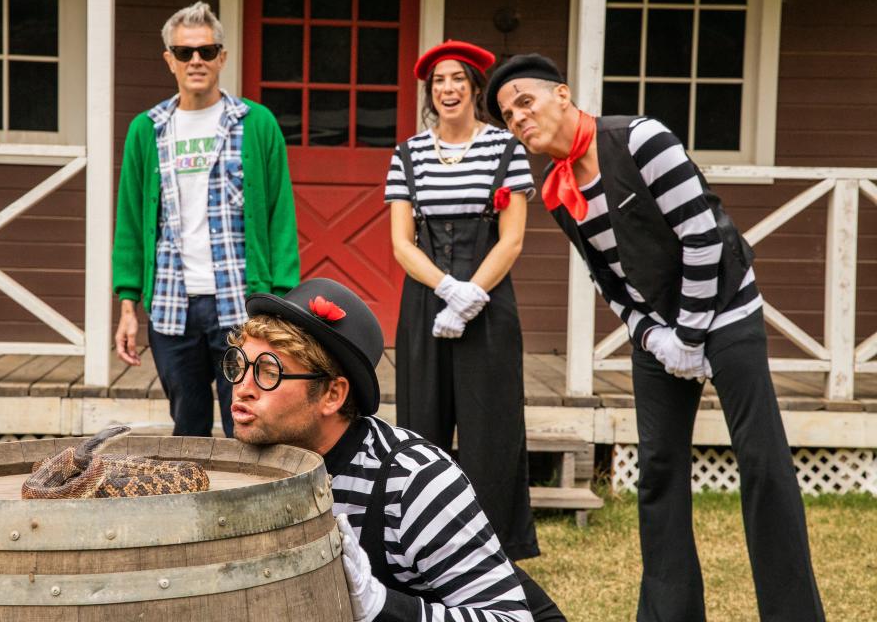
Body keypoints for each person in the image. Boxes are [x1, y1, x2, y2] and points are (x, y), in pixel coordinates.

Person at [487, 54, 825, 622]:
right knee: (659, 473)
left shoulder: (643, 139)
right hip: (661, 333)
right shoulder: (556, 190)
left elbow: (703, 239)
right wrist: (651, 337)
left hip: (726, 311)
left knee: (763, 464)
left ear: (563, 95)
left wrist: (690, 334)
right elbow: (608, 279)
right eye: (507, 115)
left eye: (527, 102)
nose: (519, 118)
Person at [226, 277, 566, 621]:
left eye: (268, 372)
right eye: (239, 367)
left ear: (332, 395)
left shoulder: (414, 479)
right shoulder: (253, 467)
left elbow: (511, 618)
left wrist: (381, 606)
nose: (243, 388)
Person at [112, 1, 299, 439]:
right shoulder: (147, 129)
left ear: (222, 57)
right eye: (184, 52)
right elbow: (131, 222)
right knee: (188, 422)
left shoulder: (256, 124)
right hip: (172, 304)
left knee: (248, 424)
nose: (196, 60)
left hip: (240, 301)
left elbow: (279, 215)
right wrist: (127, 304)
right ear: (169, 60)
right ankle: (193, 503)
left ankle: (247, 505)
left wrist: (283, 301)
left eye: (207, 50)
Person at [385, 40, 539, 563]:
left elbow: (512, 238)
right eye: (438, 82)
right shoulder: (407, 153)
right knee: (422, 421)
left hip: (490, 301)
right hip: (426, 301)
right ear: (430, 93)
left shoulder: (506, 149)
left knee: (490, 424)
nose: (447, 89)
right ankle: (424, 543)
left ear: (475, 88)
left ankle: (494, 546)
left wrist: (472, 293)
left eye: (457, 79)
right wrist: (447, 290)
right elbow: (402, 242)